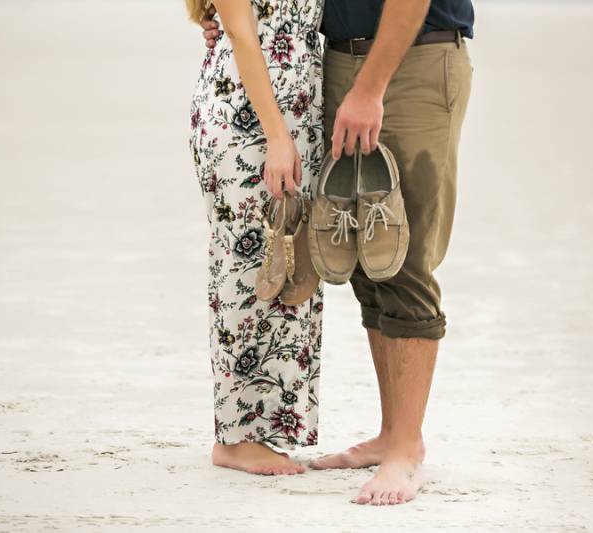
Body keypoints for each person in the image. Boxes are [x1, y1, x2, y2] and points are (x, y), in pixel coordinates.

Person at [201, 0, 474, 505]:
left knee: (403, 252)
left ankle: (405, 447)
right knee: (364, 256)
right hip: (333, 67)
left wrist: (369, 89)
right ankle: (391, 434)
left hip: (411, 61)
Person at [188, 0, 325, 475]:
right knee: (244, 267)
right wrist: (276, 134)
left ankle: (266, 426)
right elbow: (244, 36)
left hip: (295, 113)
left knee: (288, 263)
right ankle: (234, 437)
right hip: (248, 120)